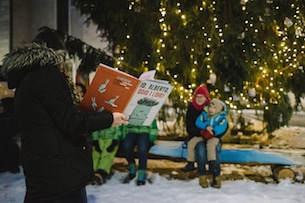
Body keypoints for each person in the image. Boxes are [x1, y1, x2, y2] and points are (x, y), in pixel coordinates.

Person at [1, 28, 128, 203]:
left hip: (41, 167)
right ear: (57, 53)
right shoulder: (47, 76)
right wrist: (109, 119)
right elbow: (71, 122)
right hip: (60, 172)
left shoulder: (25, 80)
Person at [195, 98, 228, 188]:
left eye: (214, 108)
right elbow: (198, 122)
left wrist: (214, 132)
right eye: (210, 107)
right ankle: (202, 176)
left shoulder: (221, 118)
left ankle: (215, 174)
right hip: (203, 137)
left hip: (214, 138)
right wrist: (205, 127)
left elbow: (223, 127)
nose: (211, 109)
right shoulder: (204, 115)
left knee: (213, 148)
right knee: (200, 148)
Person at [181, 84, 210, 172]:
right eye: (197, 96)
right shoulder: (191, 109)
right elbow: (190, 128)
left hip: (209, 134)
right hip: (197, 134)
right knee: (192, 144)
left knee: (211, 147)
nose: (199, 99)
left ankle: (212, 166)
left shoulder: (210, 108)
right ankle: (190, 163)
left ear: (206, 98)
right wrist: (201, 132)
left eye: (202, 97)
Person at [122, 119, 158, 185]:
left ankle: (142, 172)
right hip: (131, 130)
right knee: (127, 146)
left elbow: (153, 124)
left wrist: (151, 139)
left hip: (145, 131)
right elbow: (124, 122)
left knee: (142, 148)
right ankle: (132, 165)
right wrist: (122, 135)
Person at [0, 99, 20, 174]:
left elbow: (15, 127)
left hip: (9, 138)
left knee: (11, 146)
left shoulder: (9, 117)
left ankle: (12, 167)